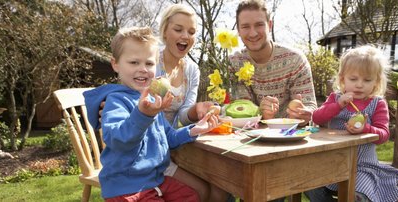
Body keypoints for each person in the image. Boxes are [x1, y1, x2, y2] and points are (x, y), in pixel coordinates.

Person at [83, 27, 219, 201]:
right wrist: (142, 114)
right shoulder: (116, 101)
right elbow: (116, 139)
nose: (143, 69)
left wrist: (194, 130)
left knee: (190, 195)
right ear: (115, 64)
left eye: (149, 63)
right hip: (127, 186)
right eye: (133, 63)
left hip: (153, 179)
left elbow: (167, 138)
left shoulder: (153, 100)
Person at [304, 45, 398, 202]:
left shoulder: (377, 103)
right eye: (353, 79)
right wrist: (338, 105)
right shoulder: (335, 98)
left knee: (358, 194)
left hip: (362, 167)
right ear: (342, 78)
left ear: (376, 82)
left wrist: (366, 129)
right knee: (308, 184)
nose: (359, 84)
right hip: (330, 163)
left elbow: (384, 135)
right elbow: (317, 118)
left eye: (367, 80)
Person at [156, 4, 230, 202]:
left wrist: (196, 110)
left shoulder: (192, 69)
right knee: (201, 190)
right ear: (164, 31)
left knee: (220, 186)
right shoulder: (150, 62)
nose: (185, 36)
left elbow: (182, 115)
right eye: (178, 29)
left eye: (191, 32)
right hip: (153, 147)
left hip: (176, 141)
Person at [228, 0, 317, 125]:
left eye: (259, 25)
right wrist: (262, 113)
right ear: (238, 29)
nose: (253, 33)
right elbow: (239, 109)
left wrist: (302, 114)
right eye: (245, 26)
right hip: (248, 136)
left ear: (269, 25)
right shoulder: (234, 63)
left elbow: (310, 107)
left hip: (290, 134)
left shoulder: (295, 60)